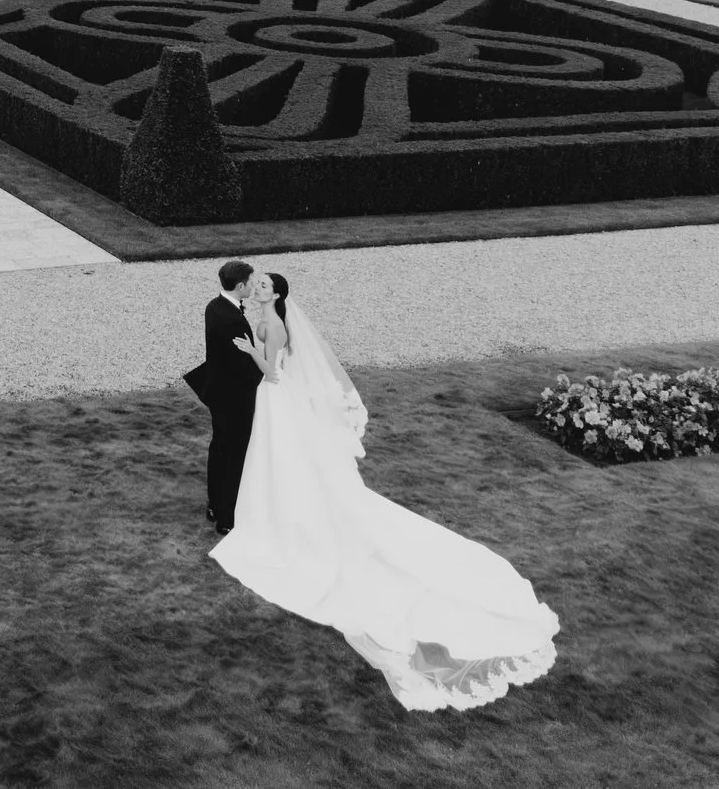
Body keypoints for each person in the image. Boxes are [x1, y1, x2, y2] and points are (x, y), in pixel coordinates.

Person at [210, 270, 560, 712]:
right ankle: (272, 513)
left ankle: (283, 522)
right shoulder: (267, 317)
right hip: (272, 401)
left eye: (263, 286)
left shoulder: (275, 324)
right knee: (275, 461)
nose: (256, 289)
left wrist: (248, 350)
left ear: (277, 294)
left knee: (280, 461)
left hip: (273, 395)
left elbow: (274, 373)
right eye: (255, 284)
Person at [193, 260, 265, 529]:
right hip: (235, 398)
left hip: (218, 392)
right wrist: (267, 375)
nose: (254, 284)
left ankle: (215, 504)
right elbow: (244, 367)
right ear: (240, 286)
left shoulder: (214, 306)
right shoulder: (234, 320)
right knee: (234, 454)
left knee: (220, 448)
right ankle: (226, 518)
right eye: (251, 281)